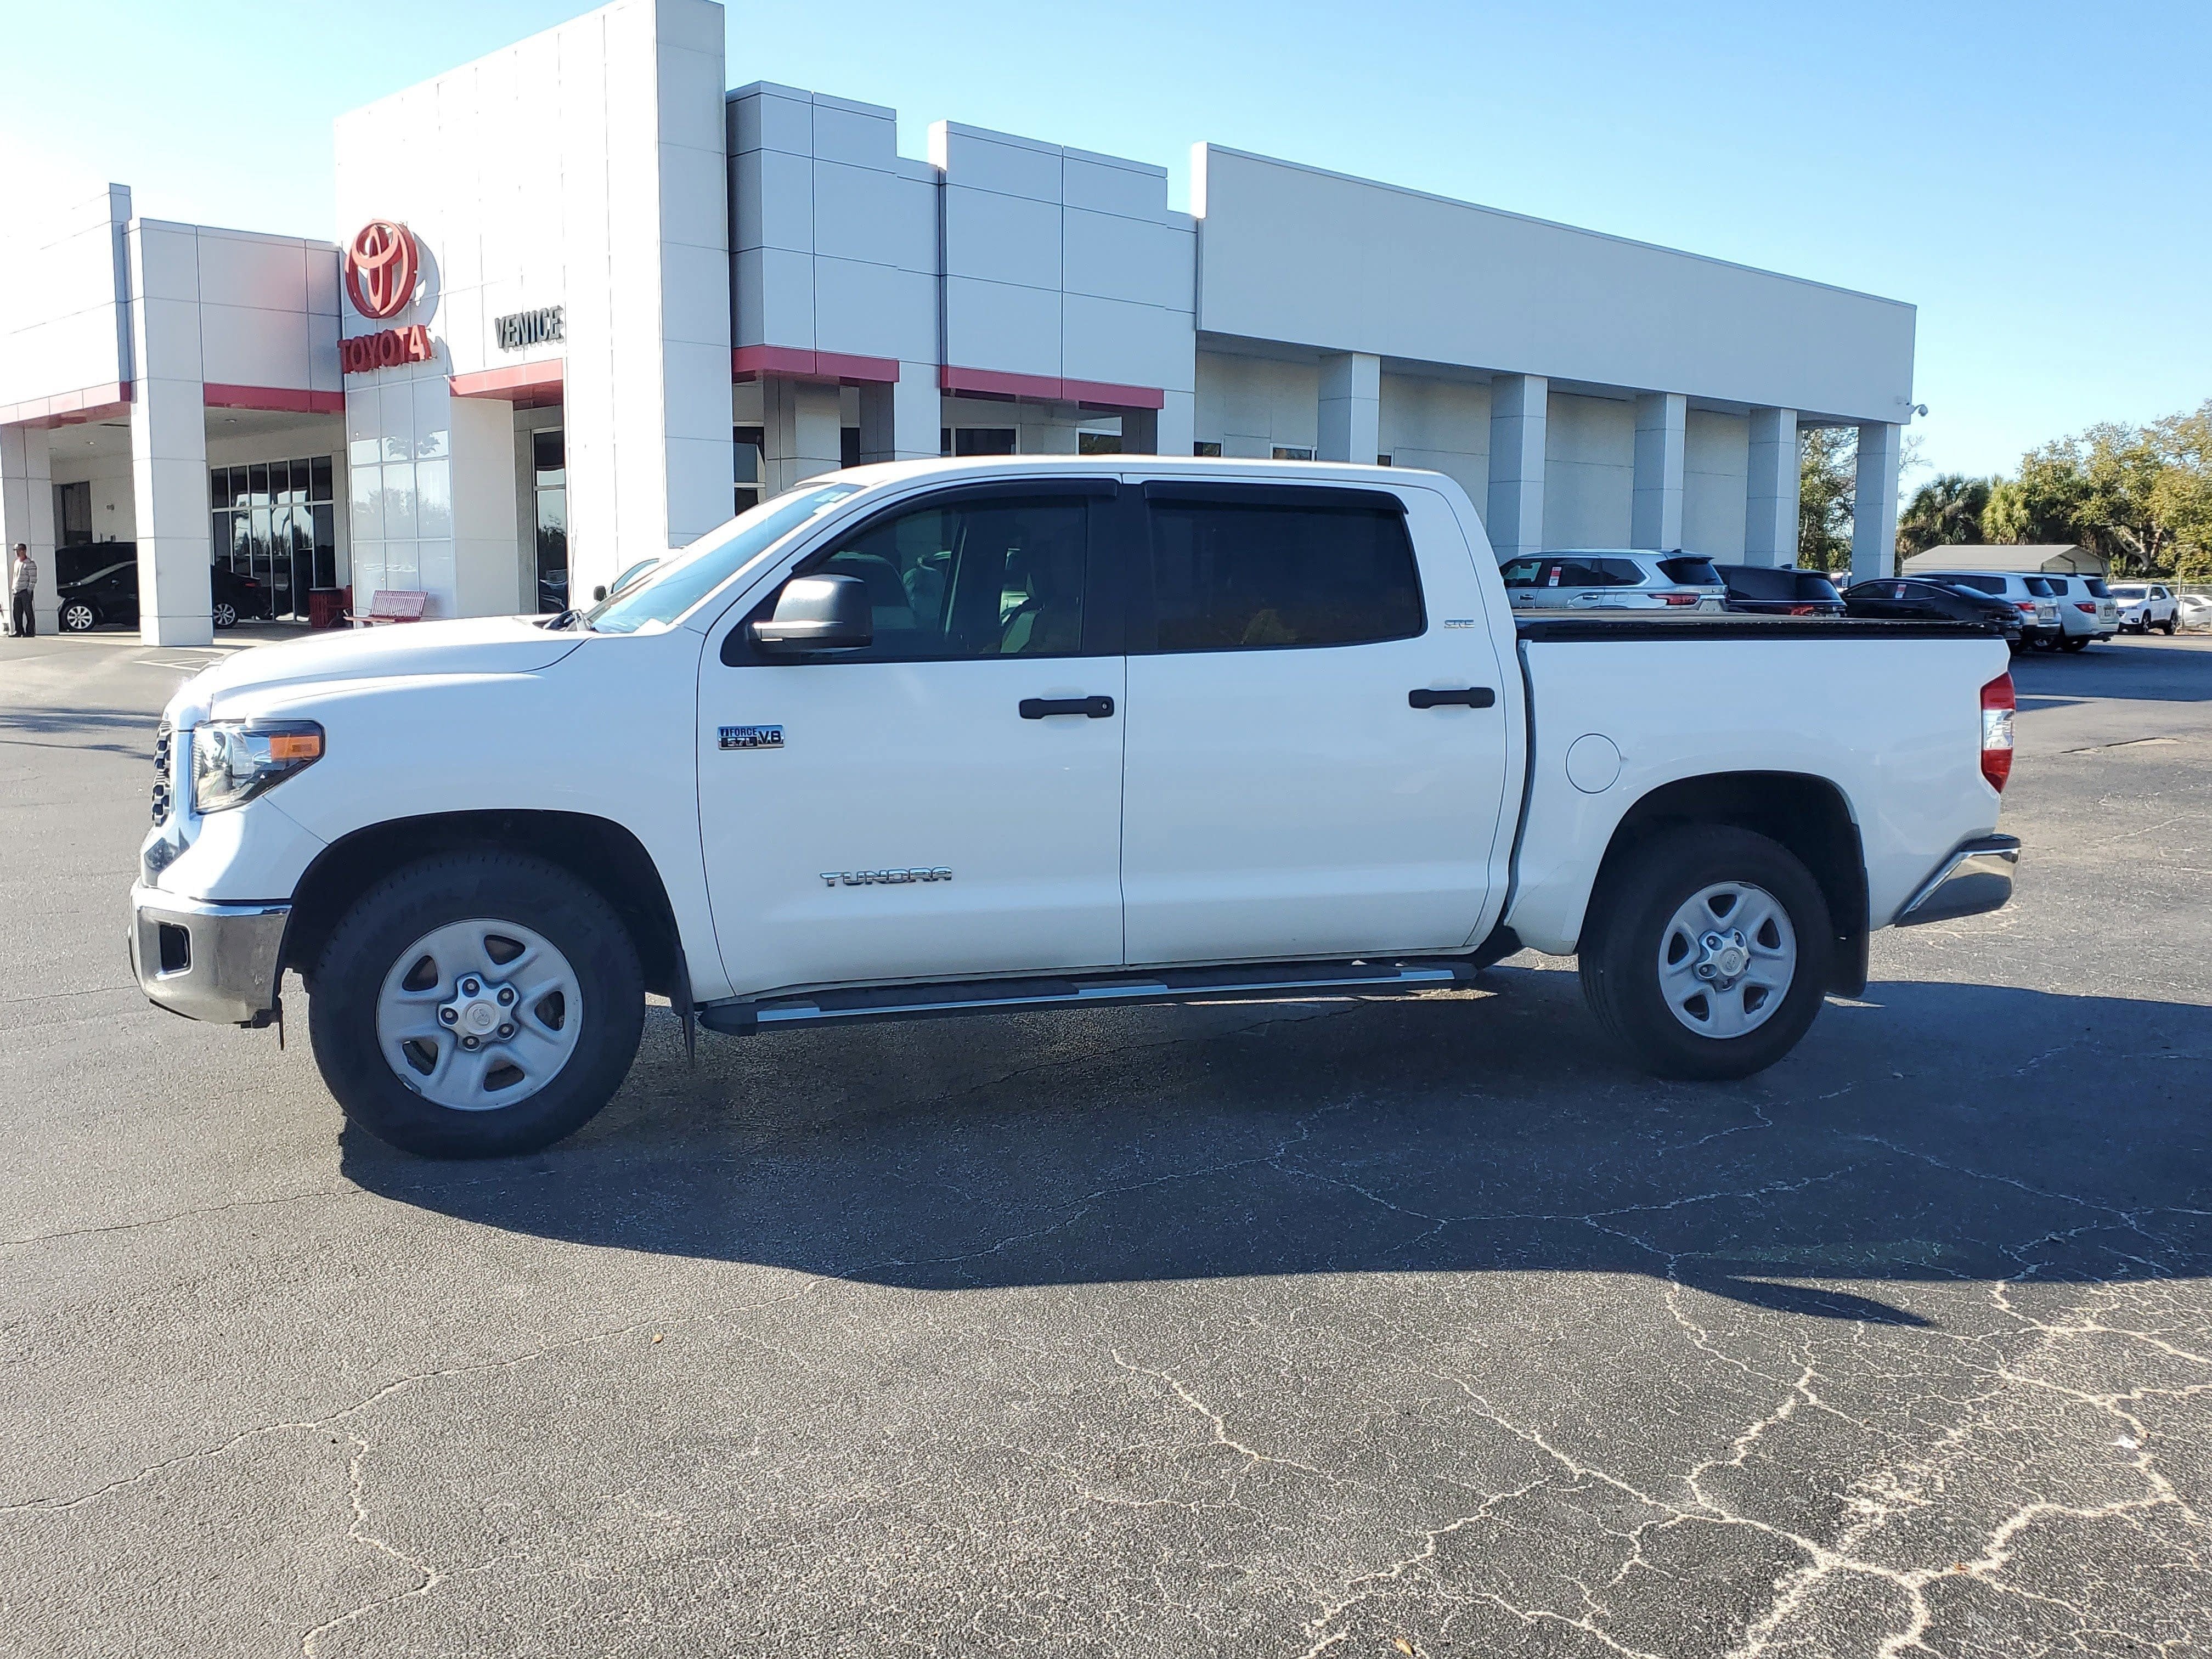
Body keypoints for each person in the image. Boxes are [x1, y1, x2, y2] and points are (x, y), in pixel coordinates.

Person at [8, 544, 33, 639]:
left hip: (25, 591)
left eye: (18, 550)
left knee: (28, 612)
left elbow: (33, 578)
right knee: (17, 613)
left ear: (23, 551)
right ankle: (19, 631)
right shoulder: (16, 563)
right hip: (17, 591)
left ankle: (30, 631)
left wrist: (29, 590)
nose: (16, 553)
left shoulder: (30, 563)